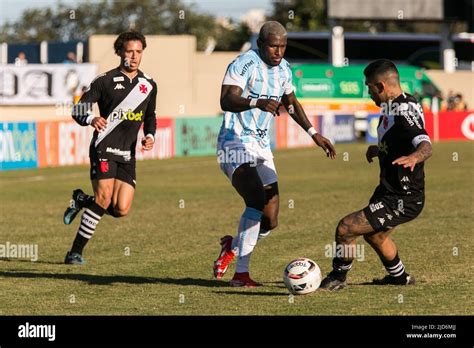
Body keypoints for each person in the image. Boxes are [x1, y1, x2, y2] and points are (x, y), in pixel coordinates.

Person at [213, 21, 336, 287]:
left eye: (282, 46)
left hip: (260, 146)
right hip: (234, 143)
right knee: (256, 198)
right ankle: (241, 275)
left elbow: (290, 103)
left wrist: (314, 133)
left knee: (271, 218)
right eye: (273, 45)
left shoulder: (285, 69)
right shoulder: (244, 64)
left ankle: (231, 247)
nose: (278, 51)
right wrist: (256, 101)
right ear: (260, 44)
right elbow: (226, 99)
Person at [319, 59, 433, 291]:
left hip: (403, 197)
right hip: (389, 190)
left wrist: (414, 157)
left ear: (381, 86)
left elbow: (424, 143)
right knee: (376, 236)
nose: (368, 92)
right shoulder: (394, 105)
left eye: (369, 87)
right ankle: (399, 278)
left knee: (345, 228)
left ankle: (337, 277)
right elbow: (398, 139)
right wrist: (380, 149)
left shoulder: (403, 109)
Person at [62, 31, 157, 265]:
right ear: (120, 52)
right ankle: (74, 252)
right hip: (103, 148)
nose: (134, 57)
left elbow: (150, 116)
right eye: (129, 51)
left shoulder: (149, 84)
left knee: (121, 209)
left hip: (128, 154)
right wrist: (91, 119)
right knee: (103, 199)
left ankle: (82, 200)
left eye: (138, 52)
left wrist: (150, 135)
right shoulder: (104, 81)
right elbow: (78, 109)